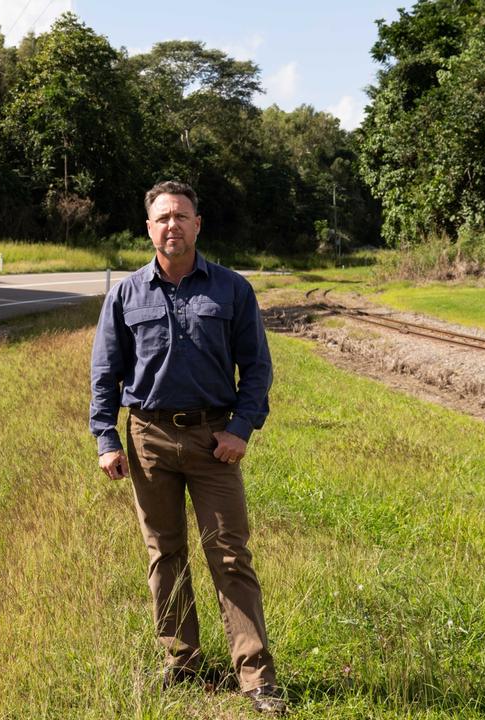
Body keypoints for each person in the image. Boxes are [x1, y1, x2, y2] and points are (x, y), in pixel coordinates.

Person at [89, 180, 285, 715]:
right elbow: (105, 373)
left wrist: (241, 429)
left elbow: (258, 368)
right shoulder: (126, 294)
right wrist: (107, 439)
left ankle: (257, 677)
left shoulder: (231, 290)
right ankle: (181, 662)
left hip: (213, 441)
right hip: (148, 440)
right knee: (165, 554)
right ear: (149, 229)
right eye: (162, 218)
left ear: (198, 224)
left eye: (181, 216)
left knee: (230, 556)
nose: (172, 225)